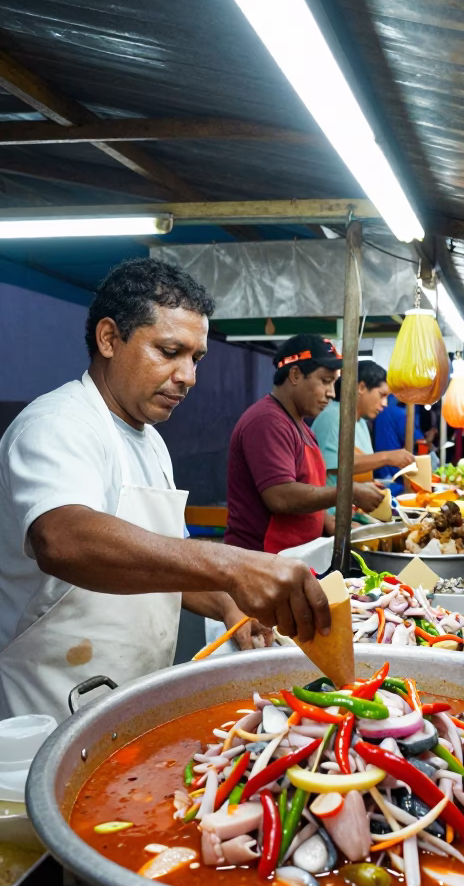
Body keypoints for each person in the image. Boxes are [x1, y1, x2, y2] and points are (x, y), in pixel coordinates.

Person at [0, 260, 330, 724]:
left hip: (130, 695)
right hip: (49, 708)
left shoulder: (150, 439)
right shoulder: (56, 424)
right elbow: (62, 539)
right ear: (109, 338)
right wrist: (233, 566)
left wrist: (224, 602)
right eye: (169, 351)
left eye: (195, 358)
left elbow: (163, 561)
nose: (188, 377)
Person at [225, 335, 385, 553]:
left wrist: (331, 524)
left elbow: (309, 492)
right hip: (263, 561)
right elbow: (281, 496)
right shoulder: (268, 421)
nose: (331, 393)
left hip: (296, 557)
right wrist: (350, 492)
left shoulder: (301, 426)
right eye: (325, 381)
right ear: (295, 374)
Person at [311, 360, 414, 508]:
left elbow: (358, 468)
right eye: (382, 395)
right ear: (361, 387)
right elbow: (340, 465)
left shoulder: (360, 423)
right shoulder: (332, 417)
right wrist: (388, 457)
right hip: (333, 515)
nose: (385, 403)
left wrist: (370, 485)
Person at [373, 393, 425, 483]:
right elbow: (420, 442)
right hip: (395, 471)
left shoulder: (380, 412)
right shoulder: (402, 415)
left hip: (377, 469)